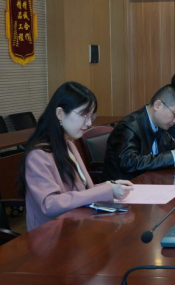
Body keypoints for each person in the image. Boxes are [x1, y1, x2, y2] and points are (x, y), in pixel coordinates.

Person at [19, 82, 133, 231]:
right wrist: (106, 190)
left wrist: (110, 186)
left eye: (91, 116)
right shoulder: (38, 155)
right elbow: (50, 205)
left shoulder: (69, 145)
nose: (89, 122)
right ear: (60, 114)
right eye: (84, 115)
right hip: (51, 234)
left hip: (74, 225)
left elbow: (80, 192)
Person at [103, 84, 175, 181]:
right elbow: (128, 162)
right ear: (158, 105)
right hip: (128, 185)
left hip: (150, 181)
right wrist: (172, 156)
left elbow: (172, 144)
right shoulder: (128, 127)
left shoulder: (160, 124)